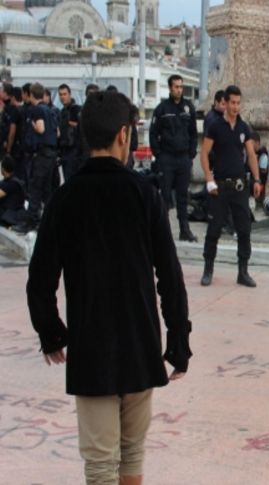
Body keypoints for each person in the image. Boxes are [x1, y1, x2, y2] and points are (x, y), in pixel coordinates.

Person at [26, 90, 192, 485]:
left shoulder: (65, 200)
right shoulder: (144, 195)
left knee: (100, 466)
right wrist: (178, 342)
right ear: (124, 134)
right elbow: (169, 276)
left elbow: (40, 278)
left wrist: (51, 332)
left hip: (91, 349)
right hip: (140, 346)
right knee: (132, 456)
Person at [199, 85, 264, 288]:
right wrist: (209, 179)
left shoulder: (244, 128)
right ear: (225, 103)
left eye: (238, 103)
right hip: (219, 186)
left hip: (239, 187)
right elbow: (204, 154)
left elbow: (251, 155)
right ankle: (208, 269)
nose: (236, 107)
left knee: (244, 229)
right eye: (232, 103)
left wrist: (256, 179)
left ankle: (243, 271)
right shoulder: (215, 126)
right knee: (214, 229)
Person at [150, 74, 198, 242]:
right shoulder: (162, 109)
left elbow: (193, 132)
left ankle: (184, 230)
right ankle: (163, 232)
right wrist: (159, 155)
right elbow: (153, 133)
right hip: (167, 158)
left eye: (181, 86)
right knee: (164, 197)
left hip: (183, 158)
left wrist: (191, 153)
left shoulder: (188, 107)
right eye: (176, 87)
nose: (179, 89)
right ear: (170, 88)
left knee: (183, 196)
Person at [13, 83, 58, 234]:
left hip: (41, 154)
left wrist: (32, 123)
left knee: (35, 187)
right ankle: (49, 220)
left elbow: (41, 128)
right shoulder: (50, 110)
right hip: (51, 154)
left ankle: (33, 220)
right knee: (46, 189)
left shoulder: (36, 110)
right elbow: (56, 132)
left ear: (31, 95)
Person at [57, 84, 82, 181]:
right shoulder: (62, 112)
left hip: (74, 151)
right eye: (60, 94)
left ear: (70, 94)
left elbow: (81, 127)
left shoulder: (77, 110)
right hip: (64, 151)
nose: (62, 97)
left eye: (64, 94)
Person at [0, 155, 25, 227]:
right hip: (12, 214)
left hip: (9, 215)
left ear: (3, 169)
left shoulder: (9, 184)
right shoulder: (14, 181)